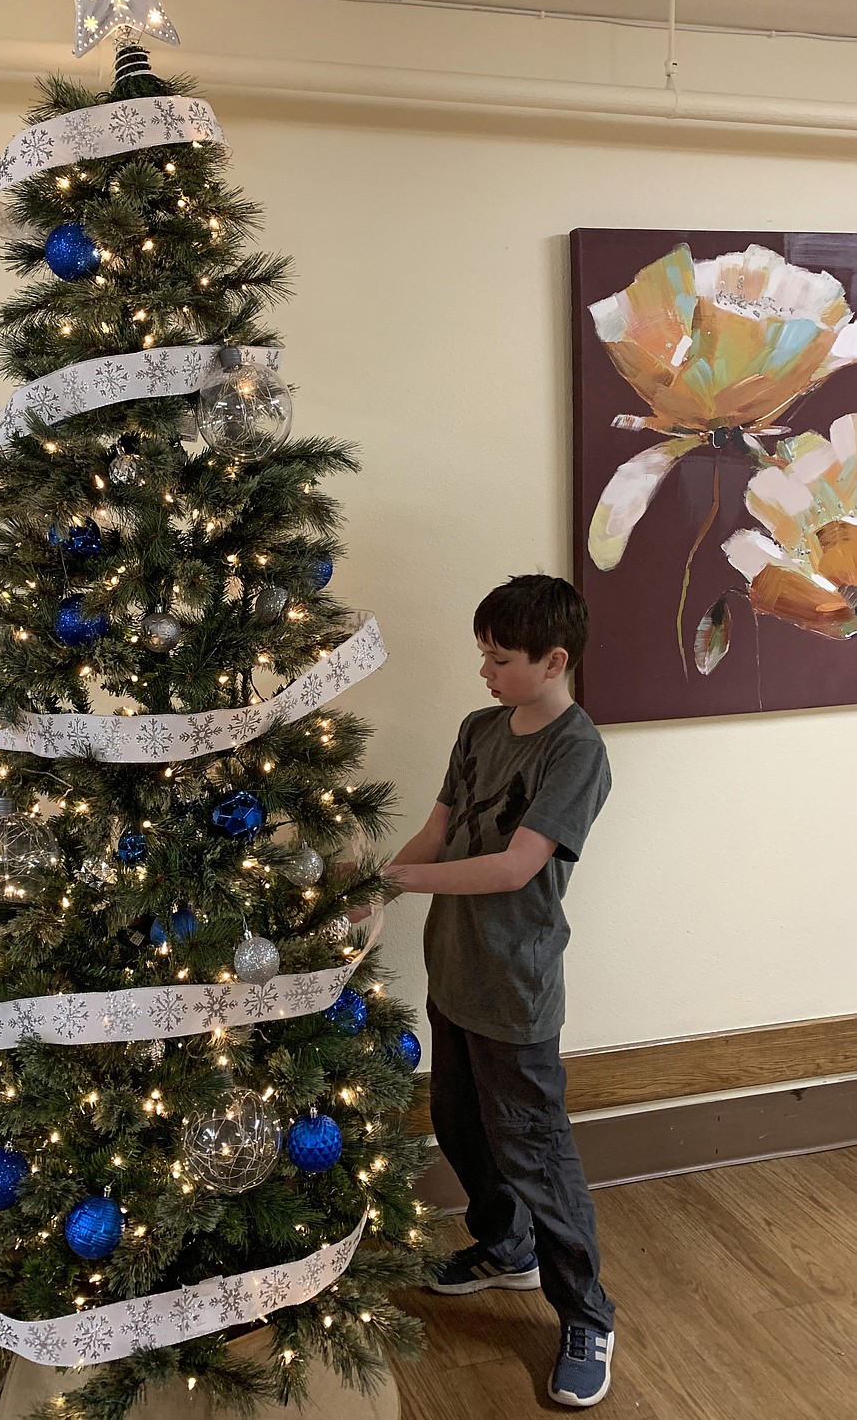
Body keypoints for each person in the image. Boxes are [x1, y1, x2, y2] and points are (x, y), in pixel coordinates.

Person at [379, 573, 616, 1408]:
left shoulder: (577, 752)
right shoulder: (479, 728)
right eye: (481, 655)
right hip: (456, 972)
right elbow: (440, 828)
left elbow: (518, 865)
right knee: (456, 1120)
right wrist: (384, 875)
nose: (485, 673)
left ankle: (587, 1313)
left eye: (500, 659)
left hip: (513, 988)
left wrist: (411, 879)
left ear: (554, 660)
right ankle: (504, 1248)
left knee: (536, 1152)